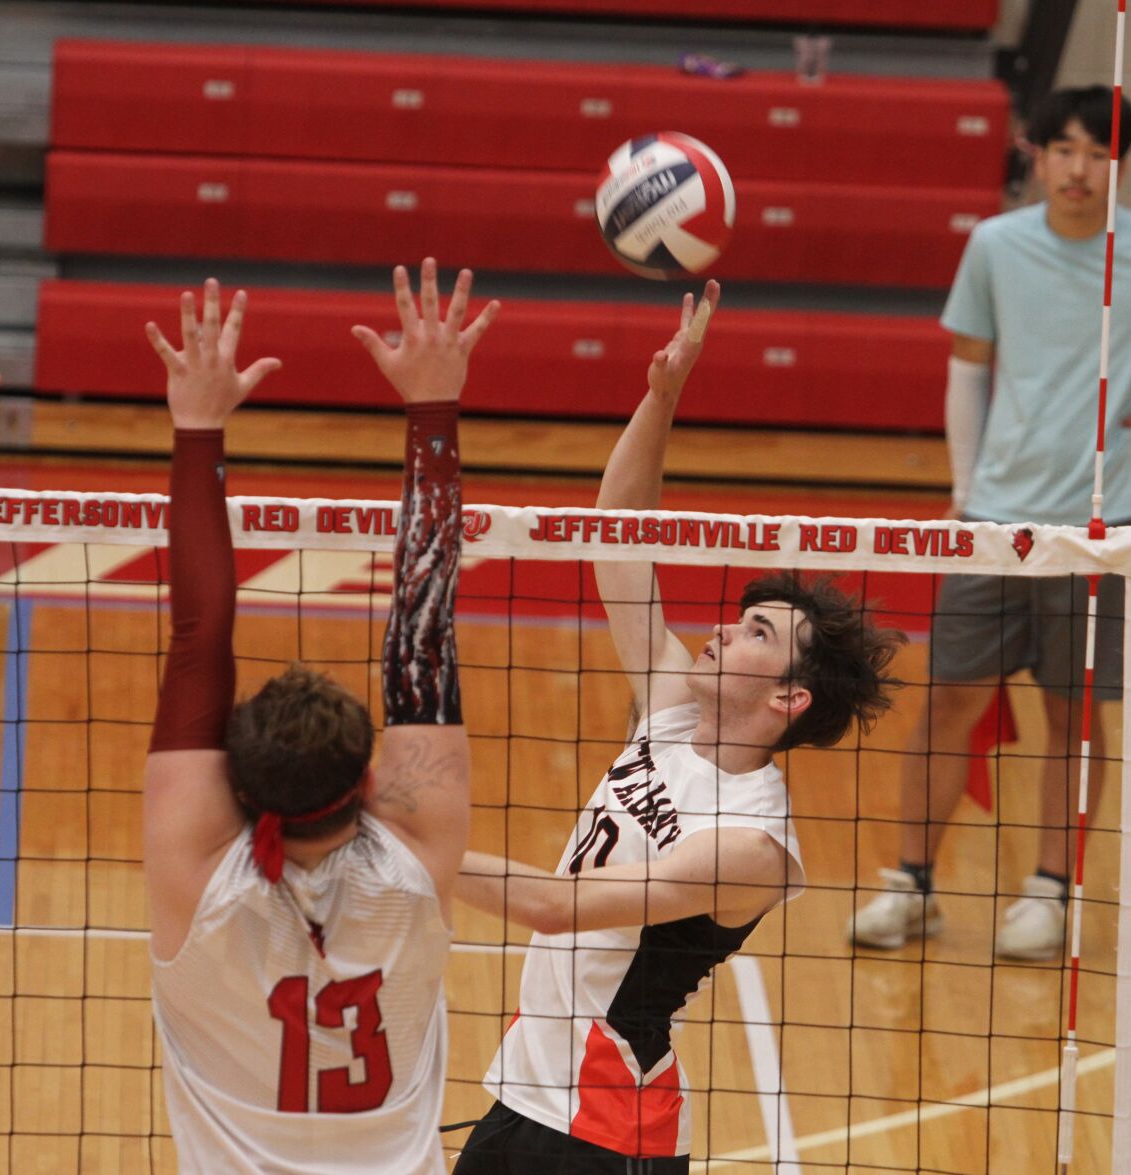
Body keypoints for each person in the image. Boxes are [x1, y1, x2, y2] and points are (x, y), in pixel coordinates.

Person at [453, 283, 903, 1172]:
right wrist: (662, 397)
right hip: (528, 1097)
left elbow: (555, 908)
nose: (721, 631)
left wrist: (385, 830)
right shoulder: (669, 713)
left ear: (789, 699)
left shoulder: (752, 846)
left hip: (603, 1133)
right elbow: (616, 533)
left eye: (755, 635)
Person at [848, 86, 1131, 959]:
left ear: (1118, 166)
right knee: (945, 702)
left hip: (1103, 523)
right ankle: (910, 886)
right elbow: (967, 370)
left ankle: (1049, 893)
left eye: (1097, 153)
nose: (1078, 169)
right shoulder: (994, 246)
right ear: (1036, 155)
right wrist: (964, 491)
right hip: (991, 522)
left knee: (1073, 714)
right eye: (1062, 150)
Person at [142, 260, 497, 1174]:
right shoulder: (416, 861)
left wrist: (197, 426)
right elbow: (424, 633)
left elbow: (198, 633)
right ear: (371, 783)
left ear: (233, 786)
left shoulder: (198, 879)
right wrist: (433, 406)